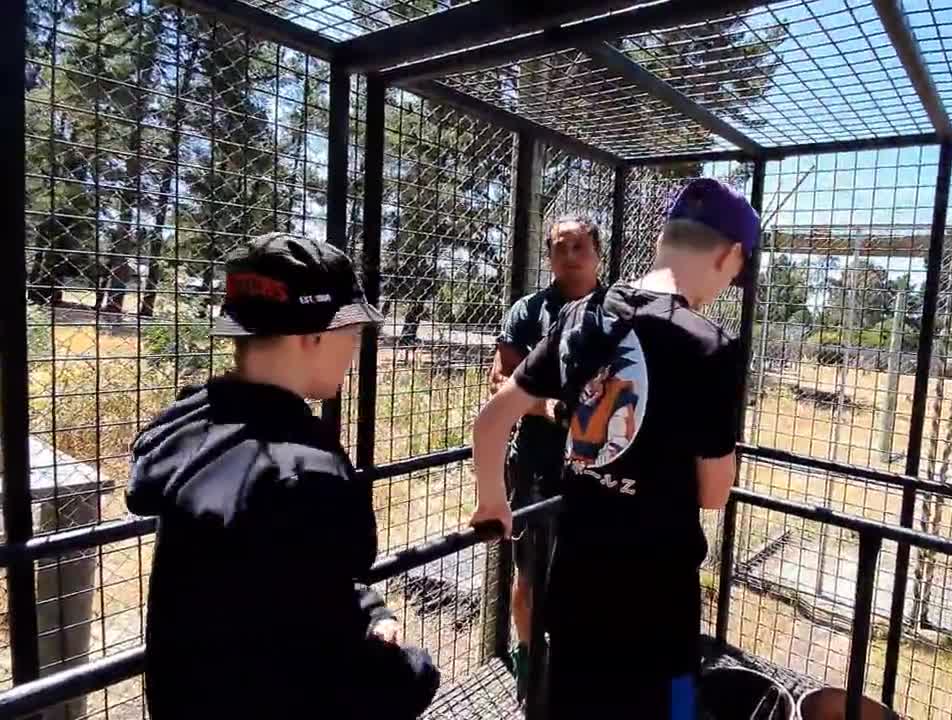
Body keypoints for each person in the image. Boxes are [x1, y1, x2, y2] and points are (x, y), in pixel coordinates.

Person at [470, 178, 755, 719]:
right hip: (659, 596)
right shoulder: (710, 347)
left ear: (662, 241)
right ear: (730, 255)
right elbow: (715, 494)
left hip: (574, 579)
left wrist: (492, 504)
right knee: (678, 704)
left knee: (573, 700)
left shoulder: (580, 316)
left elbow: (490, 422)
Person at [127, 233, 439, 720]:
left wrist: (367, 609)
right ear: (312, 334)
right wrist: (414, 672)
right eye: (352, 335)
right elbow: (327, 677)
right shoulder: (305, 473)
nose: (354, 351)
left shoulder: (189, 433)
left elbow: (264, 585)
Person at [487, 215, 603, 699]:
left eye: (578, 246)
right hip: (536, 461)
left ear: (597, 252)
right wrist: (547, 407)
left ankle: (581, 667)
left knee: (591, 572)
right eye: (559, 247)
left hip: (597, 469)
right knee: (529, 572)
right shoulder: (529, 310)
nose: (569, 256)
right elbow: (498, 382)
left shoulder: (615, 310)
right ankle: (529, 660)